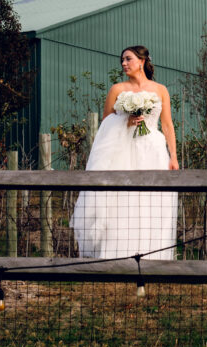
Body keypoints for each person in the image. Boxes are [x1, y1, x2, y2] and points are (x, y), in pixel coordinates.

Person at [70, 45, 179, 260]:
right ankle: (117, 255)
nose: (124, 63)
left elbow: (167, 124)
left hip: (153, 150)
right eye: (122, 60)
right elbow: (105, 123)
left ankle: (150, 255)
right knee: (121, 200)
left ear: (142, 61)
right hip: (124, 150)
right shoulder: (117, 90)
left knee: (151, 201)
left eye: (128, 59)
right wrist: (126, 120)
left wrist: (173, 156)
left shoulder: (160, 90)